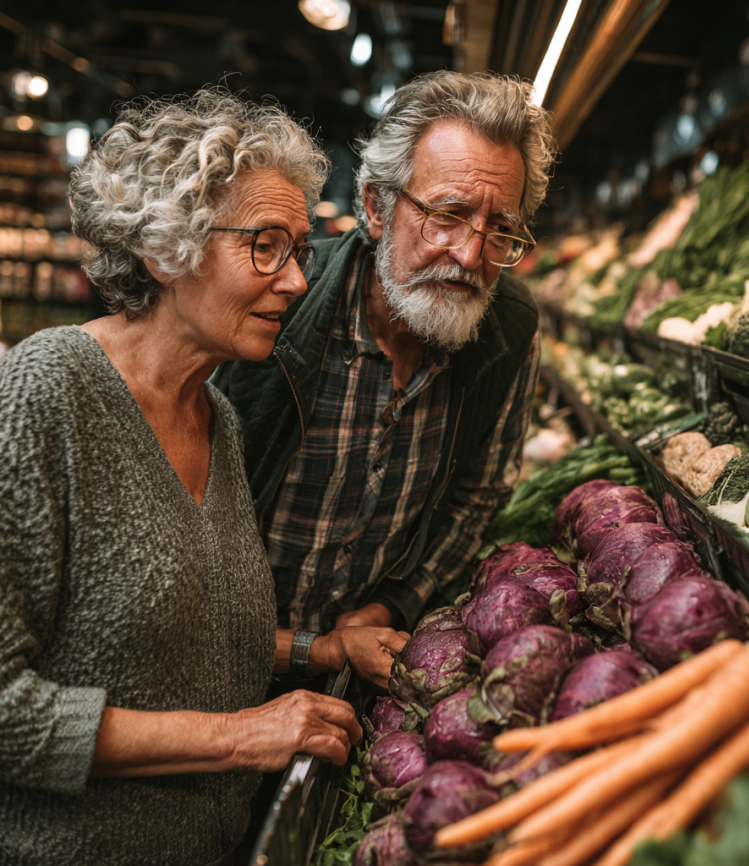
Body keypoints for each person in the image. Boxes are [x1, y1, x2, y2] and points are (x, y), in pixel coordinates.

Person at [0, 89, 379, 866]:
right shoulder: (51, 390)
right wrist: (242, 738)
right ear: (164, 248)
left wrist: (326, 651)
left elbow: (192, 643)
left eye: (298, 251)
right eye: (264, 245)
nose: (296, 283)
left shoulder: (219, 418)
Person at [217, 71, 557, 684]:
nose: (471, 256)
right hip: (217, 662)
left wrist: (390, 605)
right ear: (376, 207)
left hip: (365, 674)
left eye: (499, 228)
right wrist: (302, 649)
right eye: (447, 215)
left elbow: (479, 494)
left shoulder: (507, 327)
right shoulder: (272, 307)